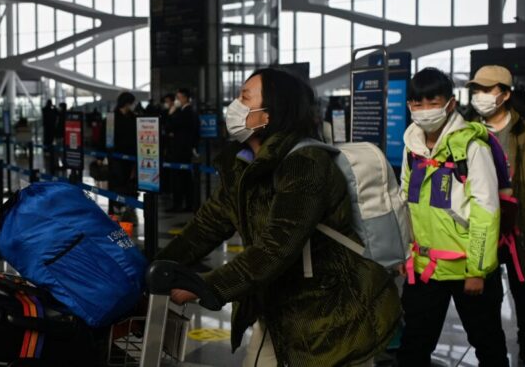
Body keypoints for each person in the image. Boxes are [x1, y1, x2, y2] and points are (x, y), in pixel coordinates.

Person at [156, 68, 401, 366]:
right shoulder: (243, 165)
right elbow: (208, 224)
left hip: (334, 316)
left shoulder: (305, 164)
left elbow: (277, 246)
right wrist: (159, 266)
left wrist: (208, 286)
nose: (235, 106)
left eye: (245, 97)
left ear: (269, 114)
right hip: (280, 309)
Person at [397, 68, 509, 367]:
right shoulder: (412, 148)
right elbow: (405, 203)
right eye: (416, 103)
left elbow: (486, 210)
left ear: (450, 103)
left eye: (431, 101)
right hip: (425, 267)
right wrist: (403, 253)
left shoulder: (472, 147)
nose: (423, 110)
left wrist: (477, 270)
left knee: (488, 344)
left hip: (467, 268)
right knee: (414, 346)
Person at [464, 65, 525, 366]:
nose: (480, 96)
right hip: (485, 222)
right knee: (488, 289)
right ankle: (493, 346)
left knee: (522, 286)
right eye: (476, 89)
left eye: (487, 90)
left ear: (505, 94)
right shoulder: (467, 128)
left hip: (518, 222)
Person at [165, 88, 199, 213]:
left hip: (181, 150)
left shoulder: (186, 112)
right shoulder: (186, 111)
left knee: (180, 178)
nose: (176, 100)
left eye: (178, 98)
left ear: (185, 98)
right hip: (183, 149)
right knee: (184, 178)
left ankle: (179, 204)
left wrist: (171, 113)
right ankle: (187, 204)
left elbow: (171, 126)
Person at [109, 92, 138, 221]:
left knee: (129, 181)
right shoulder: (112, 117)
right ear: (127, 103)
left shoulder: (133, 117)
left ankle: (128, 208)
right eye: (131, 103)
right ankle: (116, 207)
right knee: (117, 181)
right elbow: (107, 138)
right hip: (116, 156)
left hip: (131, 156)